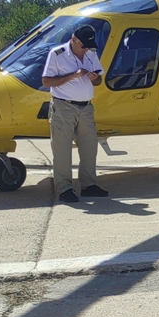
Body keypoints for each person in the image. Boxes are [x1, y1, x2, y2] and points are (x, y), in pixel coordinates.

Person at [42, 24, 108, 204]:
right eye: (83, 45)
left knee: (89, 148)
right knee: (62, 150)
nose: (86, 49)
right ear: (73, 40)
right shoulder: (57, 54)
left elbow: (99, 80)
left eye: (89, 46)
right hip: (64, 107)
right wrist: (72, 76)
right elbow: (47, 81)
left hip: (86, 108)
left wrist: (95, 78)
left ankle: (89, 185)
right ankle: (64, 189)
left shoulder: (91, 54)